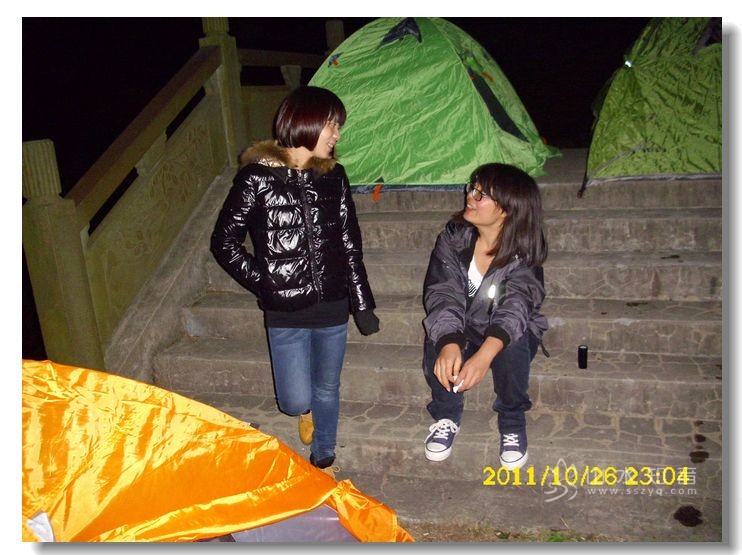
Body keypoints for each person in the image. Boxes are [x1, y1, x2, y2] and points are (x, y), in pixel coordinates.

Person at [210, 86, 379, 478]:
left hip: (332, 305)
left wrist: (362, 302)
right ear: (305, 122)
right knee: (293, 399)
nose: (337, 134)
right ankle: (304, 412)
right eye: (331, 124)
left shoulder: (334, 176)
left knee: (328, 387)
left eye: (338, 126)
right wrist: (266, 282)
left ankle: (324, 454)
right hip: (284, 311)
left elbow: (349, 243)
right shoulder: (256, 178)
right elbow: (224, 242)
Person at [421, 163, 548, 470]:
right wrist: (450, 342)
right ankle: (447, 414)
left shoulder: (524, 251)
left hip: (505, 329)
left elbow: (516, 305)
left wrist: (485, 354)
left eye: (481, 194)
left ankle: (512, 420)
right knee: (439, 334)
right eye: (472, 188)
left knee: (512, 341)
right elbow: (443, 291)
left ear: (507, 208)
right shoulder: (454, 238)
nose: (470, 196)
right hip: (465, 324)